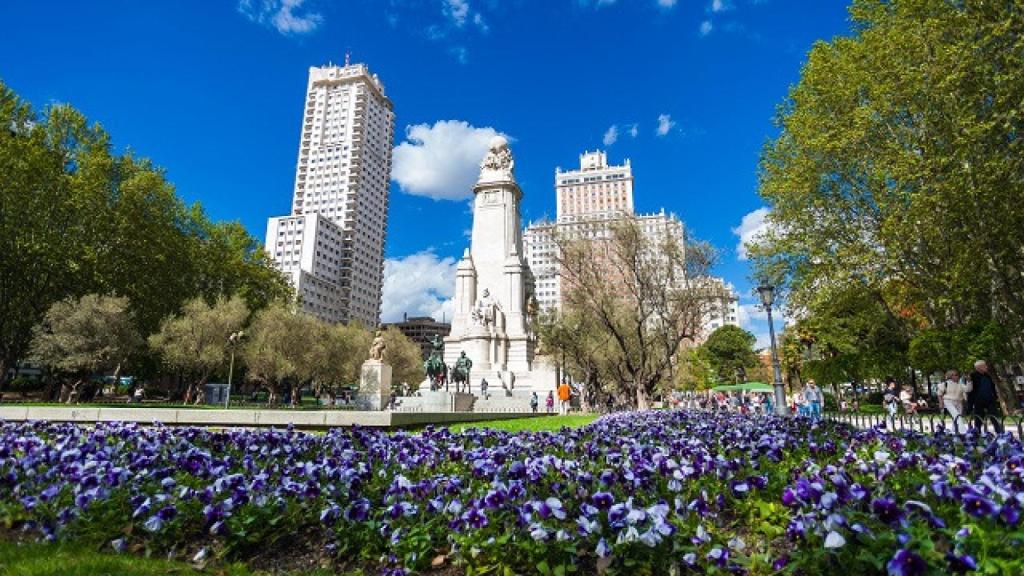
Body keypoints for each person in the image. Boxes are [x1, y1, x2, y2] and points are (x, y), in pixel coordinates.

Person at [968, 360, 1004, 433]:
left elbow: (992, 387)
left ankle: (999, 432)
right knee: (979, 418)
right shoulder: (972, 375)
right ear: (979, 367)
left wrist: (995, 396)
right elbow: (969, 388)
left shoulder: (987, 375)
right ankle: (977, 433)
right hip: (978, 400)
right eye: (984, 365)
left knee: (994, 415)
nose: (986, 367)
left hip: (990, 399)